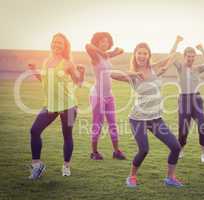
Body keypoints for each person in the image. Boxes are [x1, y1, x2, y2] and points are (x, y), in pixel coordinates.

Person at [111, 37, 183, 188]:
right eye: (139, 53)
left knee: (176, 147)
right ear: (135, 55)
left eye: (145, 53)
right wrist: (133, 74)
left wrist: (176, 42)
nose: (142, 56)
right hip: (138, 118)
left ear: (149, 55)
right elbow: (111, 74)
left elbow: (171, 56)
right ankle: (131, 177)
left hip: (155, 118)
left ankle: (170, 178)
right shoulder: (132, 75)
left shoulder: (154, 68)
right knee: (144, 150)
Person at [27, 33, 85, 179]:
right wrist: (34, 71)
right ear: (51, 44)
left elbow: (79, 82)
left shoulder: (68, 63)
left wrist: (82, 73)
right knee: (34, 131)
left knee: (67, 135)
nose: (57, 45)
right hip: (50, 105)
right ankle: (37, 165)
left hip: (69, 106)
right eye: (55, 42)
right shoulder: (46, 61)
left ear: (65, 46)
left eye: (60, 43)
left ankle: (66, 166)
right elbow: (44, 79)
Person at [167, 36, 204, 162]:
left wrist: (202, 49)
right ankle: (181, 149)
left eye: (193, 56)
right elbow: (170, 55)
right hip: (184, 99)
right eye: (189, 56)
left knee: (202, 127)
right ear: (184, 56)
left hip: (196, 99)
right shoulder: (180, 67)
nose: (191, 59)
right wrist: (176, 41)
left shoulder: (197, 68)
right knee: (183, 129)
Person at [85, 32, 126, 160]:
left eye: (107, 41)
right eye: (102, 41)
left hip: (109, 95)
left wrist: (114, 52)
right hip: (98, 95)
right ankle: (94, 152)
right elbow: (87, 45)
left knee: (113, 123)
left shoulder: (106, 56)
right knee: (98, 123)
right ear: (97, 42)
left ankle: (116, 151)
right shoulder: (95, 56)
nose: (105, 43)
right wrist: (103, 52)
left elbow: (121, 50)